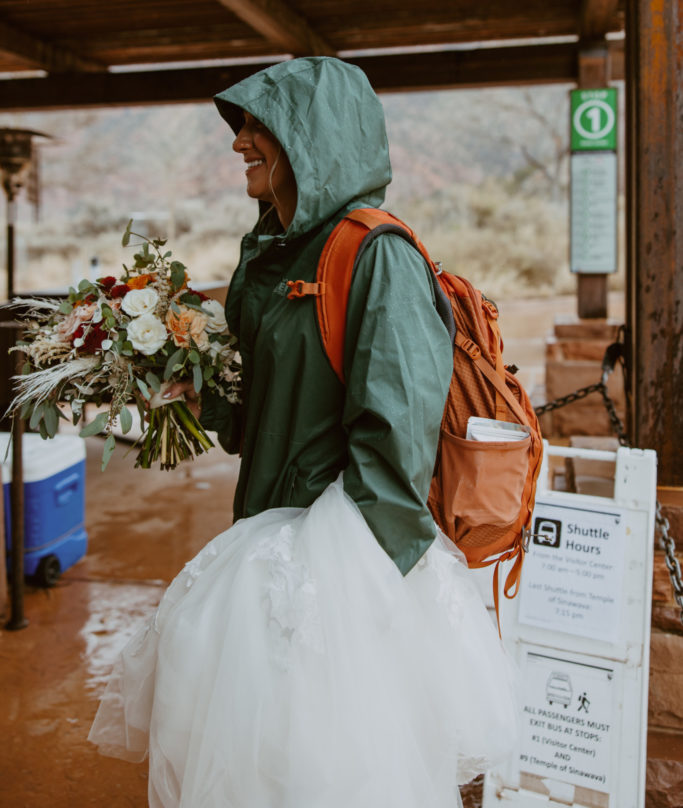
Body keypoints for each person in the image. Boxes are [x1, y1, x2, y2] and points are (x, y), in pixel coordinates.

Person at [88, 57, 519, 807]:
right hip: (267, 541)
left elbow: (394, 437)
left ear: (313, 136)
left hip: (336, 572)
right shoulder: (271, 253)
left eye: (259, 126)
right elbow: (263, 412)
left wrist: (334, 592)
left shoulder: (375, 254)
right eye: (242, 125)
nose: (238, 143)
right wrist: (197, 391)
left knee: (333, 771)